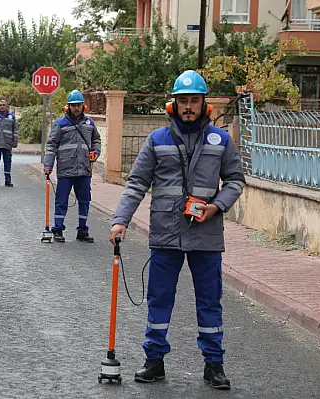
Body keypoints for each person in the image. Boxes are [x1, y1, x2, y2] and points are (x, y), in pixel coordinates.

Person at [109, 70, 245, 390]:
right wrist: (120, 220)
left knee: (210, 301)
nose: (187, 106)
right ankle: (154, 360)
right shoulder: (157, 140)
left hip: (206, 234)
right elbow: (137, 184)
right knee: (160, 299)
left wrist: (217, 206)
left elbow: (236, 181)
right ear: (173, 105)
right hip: (166, 233)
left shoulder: (221, 140)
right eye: (182, 101)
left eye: (193, 100)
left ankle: (214, 365)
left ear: (203, 104)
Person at [43, 89, 101, 243]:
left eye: (79, 105)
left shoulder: (89, 123)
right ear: (67, 106)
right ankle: (58, 229)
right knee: (61, 201)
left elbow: (96, 140)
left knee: (85, 201)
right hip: (65, 170)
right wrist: (48, 164)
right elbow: (51, 145)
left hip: (84, 170)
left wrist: (96, 152)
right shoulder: (60, 124)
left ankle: (82, 230)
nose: (76, 108)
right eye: (73, 105)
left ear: (83, 106)